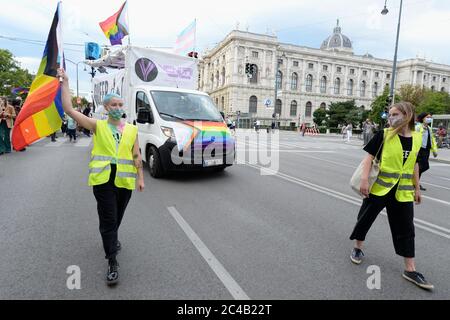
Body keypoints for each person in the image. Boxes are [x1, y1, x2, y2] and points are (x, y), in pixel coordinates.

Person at [58, 68, 145, 286]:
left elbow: (136, 155)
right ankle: (112, 261)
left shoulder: (132, 130)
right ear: (105, 108)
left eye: (119, 104)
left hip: (124, 181)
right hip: (104, 180)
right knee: (108, 220)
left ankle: (111, 240)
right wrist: (65, 82)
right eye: (112, 105)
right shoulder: (98, 125)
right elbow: (69, 109)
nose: (117, 108)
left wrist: (140, 178)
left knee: (116, 218)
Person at [349, 101, 433, 290]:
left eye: (395, 114)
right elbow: (369, 157)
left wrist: (417, 188)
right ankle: (358, 248)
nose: (391, 118)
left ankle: (410, 269)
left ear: (407, 115)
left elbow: (414, 165)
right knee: (365, 219)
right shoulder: (384, 134)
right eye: (390, 114)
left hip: (402, 192)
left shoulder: (417, 138)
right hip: (379, 188)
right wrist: (364, 181)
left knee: (406, 229)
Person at [415, 112, 437, 191]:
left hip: (426, 150)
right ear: (423, 118)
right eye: (427, 117)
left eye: (430, 117)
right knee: (420, 167)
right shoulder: (418, 127)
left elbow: (432, 139)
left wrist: (434, 150)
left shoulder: (429, 128)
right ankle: (416, 183)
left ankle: (415, 182)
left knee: (424, 167)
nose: (429, 119)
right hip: (419, 150)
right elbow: (414, 137)